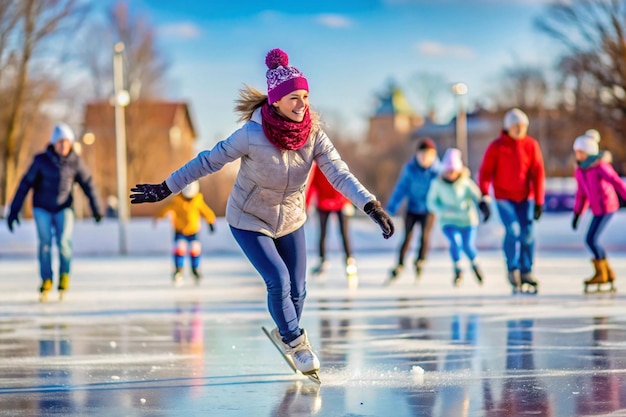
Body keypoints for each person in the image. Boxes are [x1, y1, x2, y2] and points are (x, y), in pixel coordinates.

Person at [129, 48, 394, 378]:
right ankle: (296, 342)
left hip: (292, 220)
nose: (302, 104)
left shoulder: (314, 136)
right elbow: (208, 160)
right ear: (277, 101)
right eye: (294, 97)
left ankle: (289, 332)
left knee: (299, 287)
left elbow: (339, 173)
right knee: (278, 280)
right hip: (249, 220)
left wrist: (371, 205)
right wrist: (165, 188)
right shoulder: (251, 135)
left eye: (305, 96)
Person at [7, 123, 103, 301]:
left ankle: (64, 277)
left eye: (67, 142)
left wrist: (96, 208)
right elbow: (25, 184)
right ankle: (46, 280)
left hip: (63, 208)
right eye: (60, 142)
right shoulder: (41, 160)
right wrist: (14, 210)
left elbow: (88, 184)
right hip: (41, 207)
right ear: (53, 143)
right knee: (45, 244)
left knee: (64, 243)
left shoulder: (75, 161)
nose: (64, 146)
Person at [478, 108, 545, 294]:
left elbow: (538, 174)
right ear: (508, 127)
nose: (519, 129)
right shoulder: (497, 146)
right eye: (516, 126)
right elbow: (485, 173)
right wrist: (484, 195)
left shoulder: (531, 145)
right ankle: (512, 268)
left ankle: (526, 270)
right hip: (504, 197)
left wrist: (539, 200)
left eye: (523, 126)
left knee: (528, 233)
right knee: (513, 230)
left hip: (525, 197)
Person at [571, 130, 626, 293]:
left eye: (580, 152)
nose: (578, 155)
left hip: (607, 206)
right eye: (576, 152)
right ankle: (606, 273)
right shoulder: (580, 171)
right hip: (597, 209)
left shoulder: (600, 166)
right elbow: (581, 194)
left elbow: (616, 181)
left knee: (591, 239)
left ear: (588, 152)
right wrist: (577, 213)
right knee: (591, 239)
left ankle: (603, 272)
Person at [427, 148, 490, 286]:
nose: (450, 174)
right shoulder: (437, 184)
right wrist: (443, 209)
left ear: (459, 170)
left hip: (467, 220)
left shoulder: (465, 182)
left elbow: (477, 195)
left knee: (468, 246)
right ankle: (457, 269)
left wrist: (483, 205)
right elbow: (431, 202)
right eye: (448, 170)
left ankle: (475, 264)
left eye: (453, 171)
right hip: (448, 221)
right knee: (455, 242)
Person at [386, 138, 439, 282]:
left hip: (429, 209)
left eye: (428, 156)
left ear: (433, 156)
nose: (425, 159)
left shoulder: (438, 171)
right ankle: (400, 263)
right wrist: (392, 206)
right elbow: (401, 188)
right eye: (422, 155)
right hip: (413, 208)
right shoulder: (409, 169)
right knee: (407, 236)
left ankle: (420, 260)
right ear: (417, 155)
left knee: (425, 236)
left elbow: (445, 190)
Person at [153, 180, 216, 286]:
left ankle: (195, 270)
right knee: (179, 248)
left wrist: (211, 222)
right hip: (180, 231)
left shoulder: (197, 200)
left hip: (193, 231)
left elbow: (206, 211)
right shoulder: (177, 201)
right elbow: (166, 209)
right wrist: (158, 217)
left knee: (194, 249)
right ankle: (178, 270)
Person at [305, 162, 357, 283]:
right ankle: (322, 260)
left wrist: (349, 202)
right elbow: (312, 186)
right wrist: (306, 205)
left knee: (344, 233)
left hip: (341, 203)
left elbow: (347, 183)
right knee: (323, 233)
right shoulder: (316, 168)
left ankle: (349, 261)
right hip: (323, 203)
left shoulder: (337, 164)